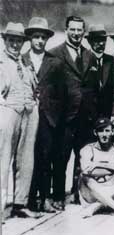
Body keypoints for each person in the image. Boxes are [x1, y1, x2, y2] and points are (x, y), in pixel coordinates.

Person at [50, 15, 94, 209]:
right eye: (73, 29)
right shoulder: (54, 54)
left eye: (79, 30)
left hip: (85, 117)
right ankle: (58, 196)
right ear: (66, 29)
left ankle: (78, 194)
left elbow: (93, 87)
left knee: (82, 157)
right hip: (64, 118)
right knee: (61, 158)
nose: (76, 33)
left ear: (84, 32)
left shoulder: (89, 55)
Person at [23, 17, 66, 213]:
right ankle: (26, 200)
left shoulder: (55, 62)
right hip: (27, 115)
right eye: (36, 37)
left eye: (43, 37)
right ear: (30, 38)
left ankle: (44, 198)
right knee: (26, 158)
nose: (40, 41)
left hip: (48, 118)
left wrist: (55, 114)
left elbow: (61, 92)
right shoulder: (21, 59)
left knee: (45, 157)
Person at [0, 22, 40, 218]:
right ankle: (0, 207)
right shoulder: (1, 62)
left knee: (26, 160)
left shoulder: (26, 62)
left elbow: (34, 87)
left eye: (18, 41)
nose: (15, 44)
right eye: (11, 40)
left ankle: (20, 203)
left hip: (29, 111)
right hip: (9, 111)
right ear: (5, 40)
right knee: (3, 160)